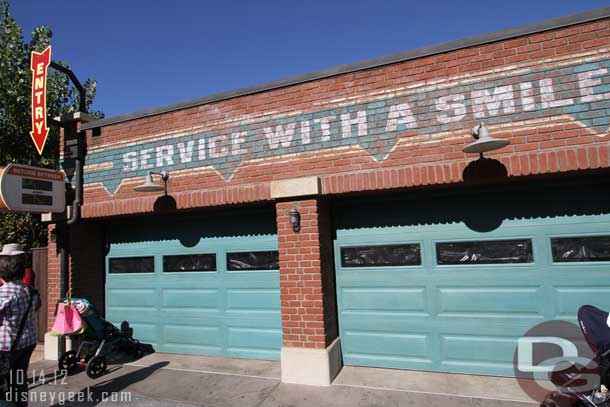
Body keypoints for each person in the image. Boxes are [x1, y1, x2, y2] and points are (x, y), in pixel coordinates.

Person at [0, 244, 40, 407]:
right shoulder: (31, 291)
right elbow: (37, 305)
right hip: (27, 342)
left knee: (2, 389)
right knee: (19, 381)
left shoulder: (3, 294)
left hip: (5, 348)